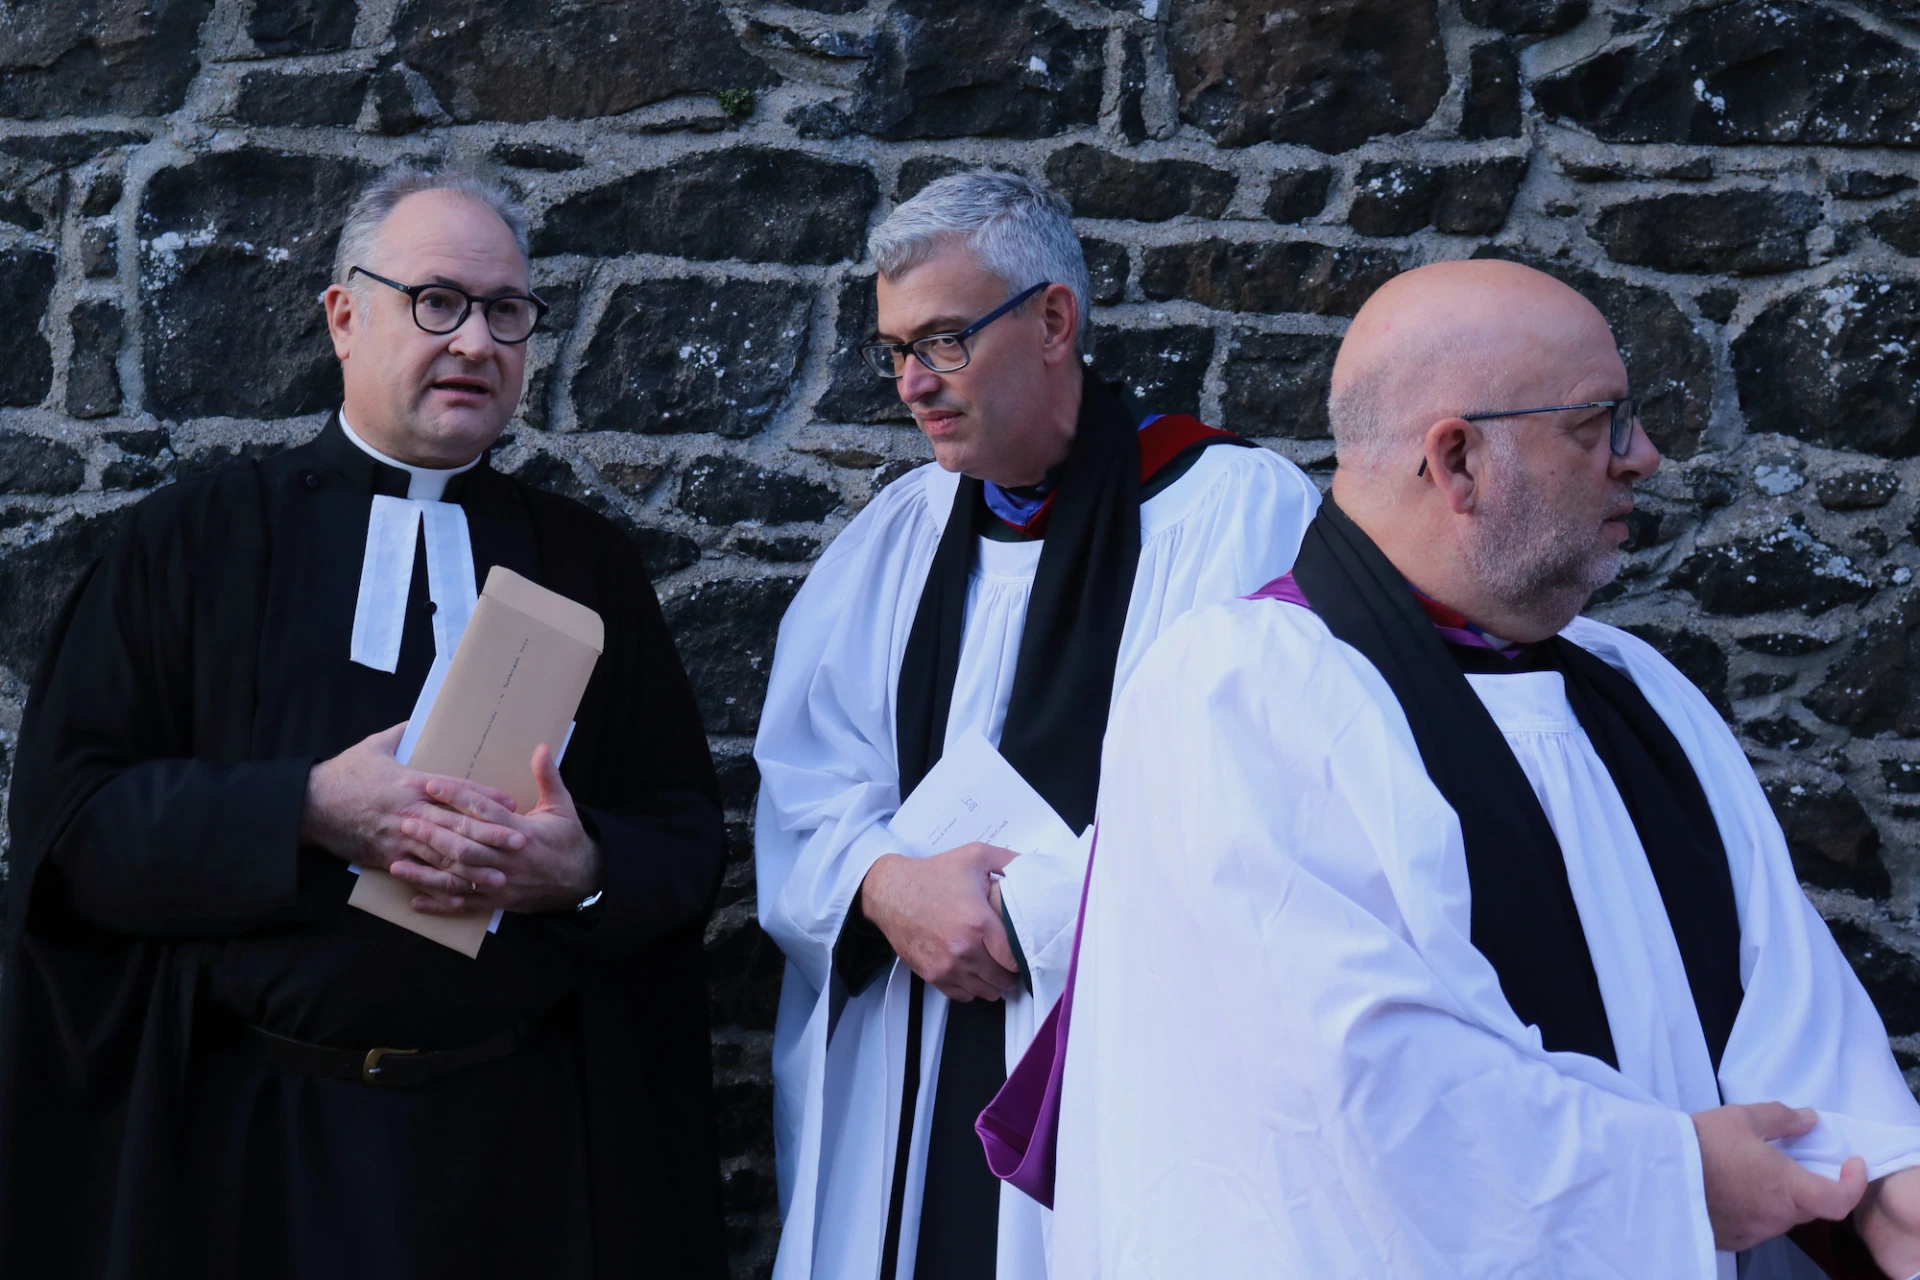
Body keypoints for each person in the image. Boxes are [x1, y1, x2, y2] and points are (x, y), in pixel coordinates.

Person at [1048, 258, 1920, 1279]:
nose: (1644, 456)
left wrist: (1888, 1181)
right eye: (1600, 423)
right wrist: (1670, 1175)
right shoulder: (1235, 692)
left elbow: (1794, 1006)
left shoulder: (1632, 685)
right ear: (1457, 459)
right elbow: (1357, 1077)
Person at [0, 166, 728, 1280]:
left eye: (506, 312)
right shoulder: (193, 543)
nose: (477, 341)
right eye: (436, 301)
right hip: (253, 1159)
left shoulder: (589, 567)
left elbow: (684, 834)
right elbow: (73, 830)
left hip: (522, 1160)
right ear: (345, 316)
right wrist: (304, 808)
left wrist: (580, 868)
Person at [752, 169, 1322, 1280]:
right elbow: (808, 781)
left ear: (1054, 319)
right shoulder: (895, 539)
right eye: (896, 349)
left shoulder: (1235, 513)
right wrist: (881, 883)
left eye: (945, 341)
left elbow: (1270, 793)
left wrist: (1028, 911)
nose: (913, 383)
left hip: (1121, 1047)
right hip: (911, 1059)